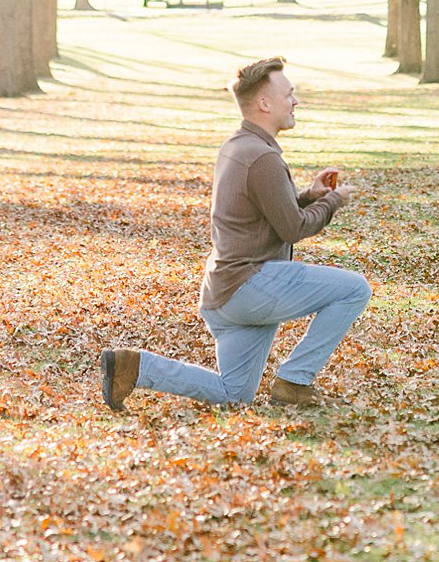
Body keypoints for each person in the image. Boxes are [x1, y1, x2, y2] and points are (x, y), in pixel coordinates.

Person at [100, 56, 371, 411]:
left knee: (234, 394)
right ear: (264, 103)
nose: (295, 102)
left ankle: (133, 366)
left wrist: (309, 195)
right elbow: (293, 227)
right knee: (355, 289)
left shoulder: (237, 146)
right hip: (250, 286)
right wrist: (333, 201)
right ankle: (295, 381)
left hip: (224, 295)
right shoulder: (262, 158)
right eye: (289, 94)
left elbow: (267, 213)